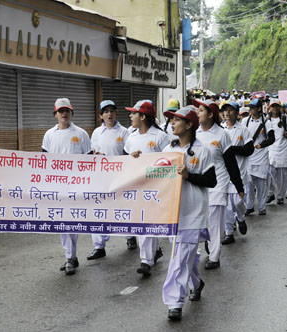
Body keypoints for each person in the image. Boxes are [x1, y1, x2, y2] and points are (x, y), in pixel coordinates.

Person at [161, 105, 216, 321]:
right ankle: (196, 282)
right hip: (173, 213)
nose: (172, 123)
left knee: (180, 258)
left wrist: (189, 175)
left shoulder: (203, 151)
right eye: (171, 120)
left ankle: (175, 302)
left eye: (177, 120)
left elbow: (212, 180)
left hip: (193, 213)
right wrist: (138, 159)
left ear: (190, 125)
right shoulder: (168, 151)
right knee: (183, 257)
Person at [42, 98, 91, 275]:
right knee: (61, 222)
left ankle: (71, 256)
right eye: (61, 111)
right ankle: (70, 255)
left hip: (76, 185)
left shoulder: (81, 134)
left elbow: (89, 159)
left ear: (72, 113)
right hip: (57, 185)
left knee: (71, 222)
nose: (64, 114)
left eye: (67, 111)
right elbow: (44, 160)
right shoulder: (49, 135)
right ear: (55, 114)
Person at [124, 100, 170, 276]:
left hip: (156, 187)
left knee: (148, 221)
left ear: (143, 116)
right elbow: (125, 161)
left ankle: (146, 260)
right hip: (138, 186)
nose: (131, 116)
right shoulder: (131, 138)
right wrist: (132, 158)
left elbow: (168, 161)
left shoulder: (160, 137)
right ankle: (153, 251)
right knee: (142, 222)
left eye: (134, 113)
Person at [194, 99, 243, 266]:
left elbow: (230, 162)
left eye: (201, 110)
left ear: (210, 114)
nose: (197, 113)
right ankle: (209, 244)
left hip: (218, 184)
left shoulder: (222, 134)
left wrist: (239, 185)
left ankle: (214, 257)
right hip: (199, 185)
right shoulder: (194, 133)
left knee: (215, 223)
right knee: (201, 221)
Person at [88, 100, 133, 259]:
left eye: (112, 111)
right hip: (101, 177)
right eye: (105, 111)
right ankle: (99, 246)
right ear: (101, 115)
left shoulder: (124, 132)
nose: (109, 114)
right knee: (99, 210)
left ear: (116, 113)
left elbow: (129, 154)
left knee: (122, 208)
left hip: (120, 176)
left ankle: (130, 236)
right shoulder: (96, 133)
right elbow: (92, 154)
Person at [222, 101, 253, 244]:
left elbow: (249, 149)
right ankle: (229, 233)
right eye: (225, 110)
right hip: (224, 175)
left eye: (231, 110)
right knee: (227, 207)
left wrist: (233, 150)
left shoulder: (243, 130)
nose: (227, 113)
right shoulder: (221, 131)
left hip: (240, 173)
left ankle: (240, 218)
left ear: (236, 112)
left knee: (239, 202)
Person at [242, 99, 275, 216]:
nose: (250, 110)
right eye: (250, 108)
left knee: (261, 184)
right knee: (248, 184)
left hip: (261, 157)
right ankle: (249, 206)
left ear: (259, 109)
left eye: (253, 108)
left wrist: (261, 145)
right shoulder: (245, 122)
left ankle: (261, 207)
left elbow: (271, 138)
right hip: (249, 158)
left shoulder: (266, 122)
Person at [265, 99, 287, 204]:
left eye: (277, 106)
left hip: (283, 149)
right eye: (273, 106)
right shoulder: (266, 120)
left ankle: (281, 195)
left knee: (283, 175)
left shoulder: (286, 119)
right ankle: (271, 193)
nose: (275, 108)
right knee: (270, 173)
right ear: (270, 107)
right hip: (271, 149)